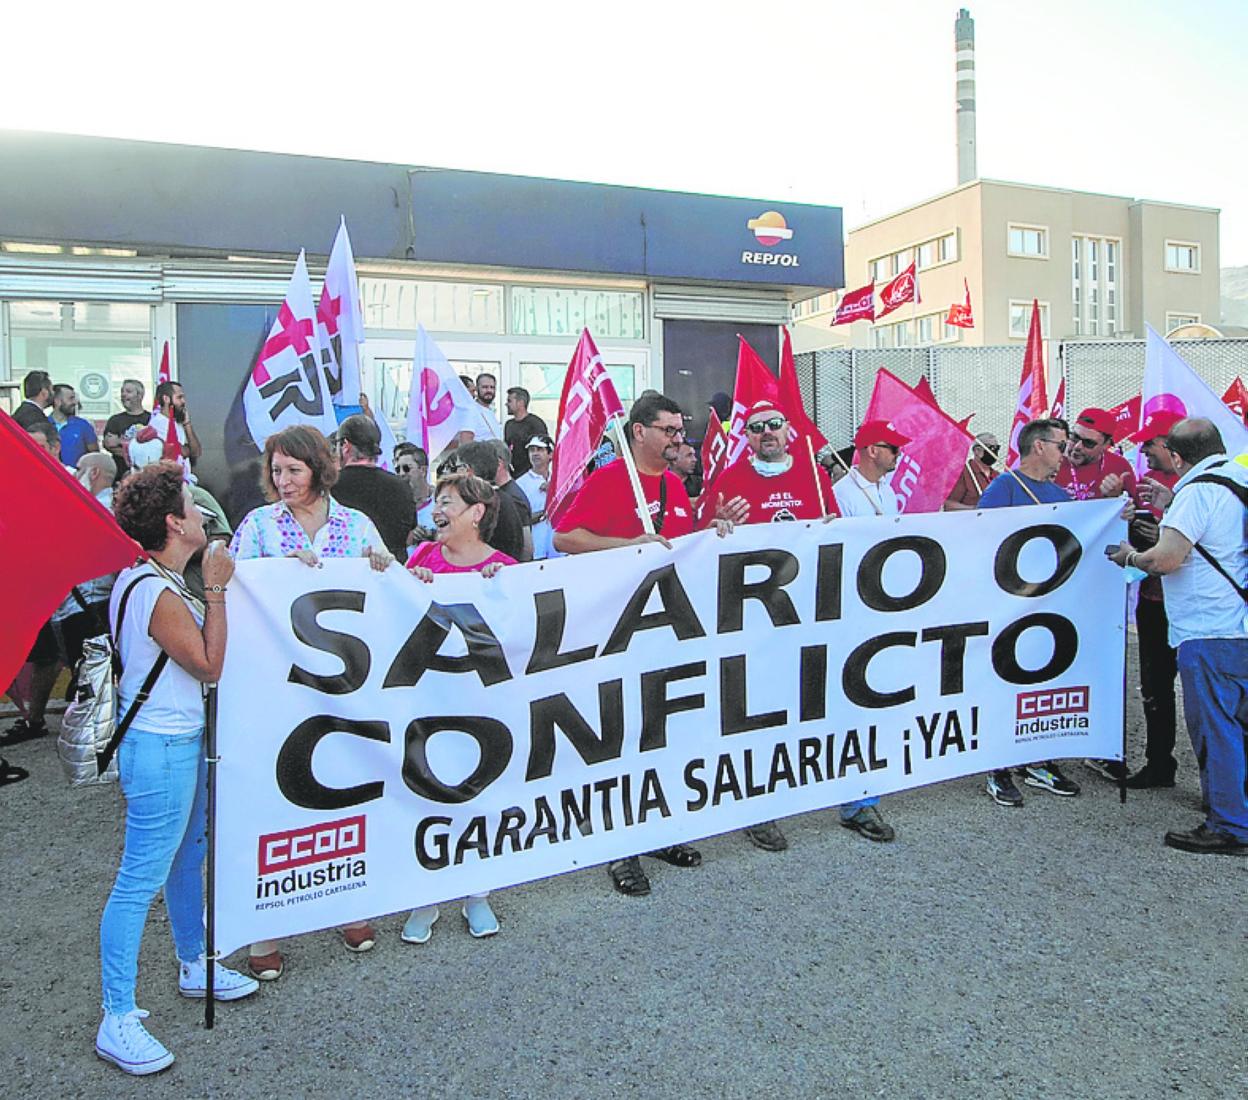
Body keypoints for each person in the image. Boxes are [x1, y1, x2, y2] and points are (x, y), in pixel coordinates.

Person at [96, 462, 258, 1076]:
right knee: (139, 879)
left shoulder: (156, 577)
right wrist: (215, 589)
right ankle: (117, 1016)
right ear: (173, 522)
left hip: (178, 740)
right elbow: (209, 666)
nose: (200, 514)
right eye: (191, 506)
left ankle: (195, 962)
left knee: (188, 856)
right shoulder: (155, 590)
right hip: (159, 747)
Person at [230, 425, 393, 979]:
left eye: (293, 471)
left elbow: (388, 587)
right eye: (276, 471)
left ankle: (349, 907)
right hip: (276, 688)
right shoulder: (257, 526)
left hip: (344, 690)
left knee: (346, 793)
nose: (283, 481)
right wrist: (273, 573)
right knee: (274, 800)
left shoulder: (355, 525)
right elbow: (230, 585)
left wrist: (381, 566)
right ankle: (263, 933)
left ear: (318, 470)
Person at [553, 393, 702, 896]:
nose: (677, 439)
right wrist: (624, 546)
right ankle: (619, 849)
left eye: (680, 431)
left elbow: (683, 544)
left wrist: (716, 527)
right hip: (616, 632)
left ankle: (656, 830)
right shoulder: (612, 478)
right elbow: (563, 537)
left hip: (664, 631)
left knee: (659, 732)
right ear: (639, 432)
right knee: (618, 740)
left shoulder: (675, 486)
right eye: (668, 430)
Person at [697, 398, 837, 851]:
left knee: (826, 701)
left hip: (812, 611)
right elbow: (704, 535)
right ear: (748, 437)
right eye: (756, 428)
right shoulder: (733, 478)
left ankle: (855, 799)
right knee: (759, 710)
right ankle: (760, 806)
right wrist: (717, 523)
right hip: (756, 616)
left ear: (788, 430)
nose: (767, 433)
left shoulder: (815, 476)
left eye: (774, 424)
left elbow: (836, 530)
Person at [1108, 418, 1247, 856]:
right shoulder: (1238, 478)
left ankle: (1229, 825)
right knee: (1240, 726)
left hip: (1209, 628)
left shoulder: (1198, 492)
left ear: (1177, 456)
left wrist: (1129, 555)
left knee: (1216, 728)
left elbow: (1166, 559)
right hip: (1241, 623)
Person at [403, 471, 514, 941]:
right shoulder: (423, 556)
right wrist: (412, 584)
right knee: (422, 796)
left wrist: (502, 590)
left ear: (477, 513)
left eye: (448, 501)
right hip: (426, 704)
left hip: (481, 708)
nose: (438, 509)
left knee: (477, 799)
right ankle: (425, 896)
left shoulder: (506, 567)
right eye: (437, 500)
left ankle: (476, 894)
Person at [977, 418, 1082, 806]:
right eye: (1060, 445)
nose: (1065, 453)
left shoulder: (1061, 495)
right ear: (1038, 446)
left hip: (1048, 610)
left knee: (1041, 685)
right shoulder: (1004, 488)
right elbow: (979, 537)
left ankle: (1037, 759)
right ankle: (997, 766)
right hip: (1007, 610)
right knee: (1004, 685)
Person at [1086, 411, 1185, 788]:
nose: (1143, 450)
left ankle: (1224, 784)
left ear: (1171, 446)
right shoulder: (1149, 481)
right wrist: (1123, 517)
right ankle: (1160, 762)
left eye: (1150, 443)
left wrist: (1160, 533)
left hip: (1189, 605)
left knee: (1201, 691)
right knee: (1155, 685)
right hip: (1153, 598)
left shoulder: (1197, 486)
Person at [0, 420, 72, 747]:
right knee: (38, 653)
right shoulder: (13, 482)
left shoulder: (72, 481)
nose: (31, 454)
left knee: (63, 656)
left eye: (38, 447)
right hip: (27, 584)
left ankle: (41, 718)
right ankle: (34, 718)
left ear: (55, 447)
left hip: (69, 588)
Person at [329, 413, 414, 559]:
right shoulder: (402, 487)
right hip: (394, 572)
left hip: (349, 574)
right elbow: (409, 538)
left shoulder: (330, 486)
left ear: (345, 446)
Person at [452, 439, 532, 562]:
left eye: (457, 467)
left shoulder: (491, 502)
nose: (455, 473)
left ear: (468, 470)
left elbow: (526, 549)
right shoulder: (501, 498)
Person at [1056, 407, 1137, 503]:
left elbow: (1134, 509)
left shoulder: (1119, 466)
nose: (1078, 446)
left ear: (1106, 445)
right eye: (1075, 437)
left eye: (1088, 443)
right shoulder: (1053, 458)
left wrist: (1116, 498)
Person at [832, 420, 909, 519]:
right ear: (873, 451)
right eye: (894, 448)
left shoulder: (887, 490)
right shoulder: (841, 495)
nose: (899, 454)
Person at [515, 435, 558, 560]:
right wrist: (541, 515)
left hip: (558, 549)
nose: (535, 453)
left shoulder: (560, 480)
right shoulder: (521, 483)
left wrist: (554, 488)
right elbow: (518, 519)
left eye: (539, 449)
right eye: (531, 450)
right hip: (536, 550)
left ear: (550, 455)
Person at [103, 378, 151, 478]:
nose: (123, 395)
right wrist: (139, 452)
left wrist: (120, 441)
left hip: (147, 476)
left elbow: (154, 448)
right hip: (121, 475)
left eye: (128, 392)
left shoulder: (152, 420)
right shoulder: (115, 420)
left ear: (140, 396)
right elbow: (109, 445)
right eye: (122, 392)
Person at [945, 432, 1000, 510]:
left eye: (997, 448)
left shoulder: (998, 476)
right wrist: (974, 509)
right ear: (977, 450)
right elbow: (949, 505)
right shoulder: (963, 473)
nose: (994, 452)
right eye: (991, 448)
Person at [49, 383, 99, 467]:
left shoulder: (83, 425)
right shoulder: (44, 424)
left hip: (76, 477)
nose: (75, 402)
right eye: (71, 398)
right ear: (57, 401)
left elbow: (95, 455)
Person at [503, 386, 548, 477]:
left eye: (509, 401)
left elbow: (543, 450)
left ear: (520, 403)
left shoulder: (535, 424)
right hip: (514, 475)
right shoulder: (509, 425)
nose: (506, 404)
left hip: (532, 474)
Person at [394, 442, 434, 531]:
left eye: (406, 468)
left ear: (423, 470)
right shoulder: (393, 506)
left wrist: (431, 536)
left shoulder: (441, 500)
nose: (401, 474)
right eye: (397, 470)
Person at [473, 372, 504, 440]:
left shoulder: (491, 411)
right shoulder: (471, 410)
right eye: (485, 387)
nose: (489, 390)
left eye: (492, 387)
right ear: (477, 388)